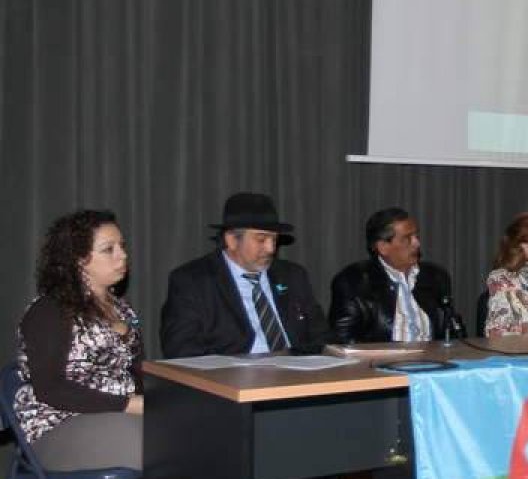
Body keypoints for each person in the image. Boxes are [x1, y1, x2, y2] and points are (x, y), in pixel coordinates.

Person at [13, 210, 143, 471]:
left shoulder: (122, 309)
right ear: (78, 260)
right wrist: (128, 404)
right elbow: (51, 388)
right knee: (161, 445)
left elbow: (135, 371)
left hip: (119, 414)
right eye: (109, 249)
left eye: (122, 246)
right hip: (59, 422)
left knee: (188, 428)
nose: (123, 255)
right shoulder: (50, 310)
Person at [160, 192, 328, 358]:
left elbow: (322, 336)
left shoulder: (293, 276)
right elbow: (181, 349)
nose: (271, 249)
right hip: (232, 378)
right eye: (261, 239)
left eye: (274, 240)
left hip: (298, 376)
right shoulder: (192, 281)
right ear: (232, 240)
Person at [329, 207, 461, 344]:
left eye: (416, 236)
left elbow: (452, 333)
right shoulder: (353, 282)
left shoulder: (435, 276)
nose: (417, 243)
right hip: (380, 363)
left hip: (435, 361)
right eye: (407, 239)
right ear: (383, 247)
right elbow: (343, 342)